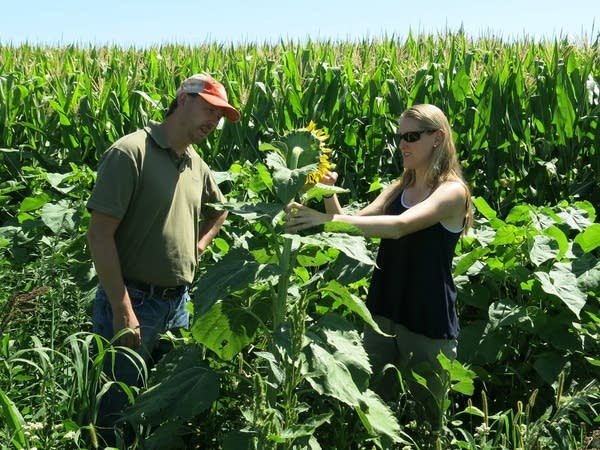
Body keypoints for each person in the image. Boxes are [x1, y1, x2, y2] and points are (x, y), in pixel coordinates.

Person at [284, 103, 472, 430]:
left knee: (428, 420)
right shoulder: (399, 188)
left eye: (412, 136)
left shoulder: (452, 192)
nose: (403, 144)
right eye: (400, 137)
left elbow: (399, 226)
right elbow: (353, 224)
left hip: (427, 318)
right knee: (374, 408)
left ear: (438, 138)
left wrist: (324, 218)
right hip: (384, 310)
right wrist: (329, 192)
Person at [86, 73, 239, 445]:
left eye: (220, 117)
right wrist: (123, 310)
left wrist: (198, 245)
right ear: (182, 100)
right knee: (115, 411)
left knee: (163, 410)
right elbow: (99, 234)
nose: (213, 122)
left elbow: (220, 210)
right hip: (133, 301)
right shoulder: (131, 152)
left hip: (178, 305)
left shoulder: (195, 164)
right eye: (209, 110)